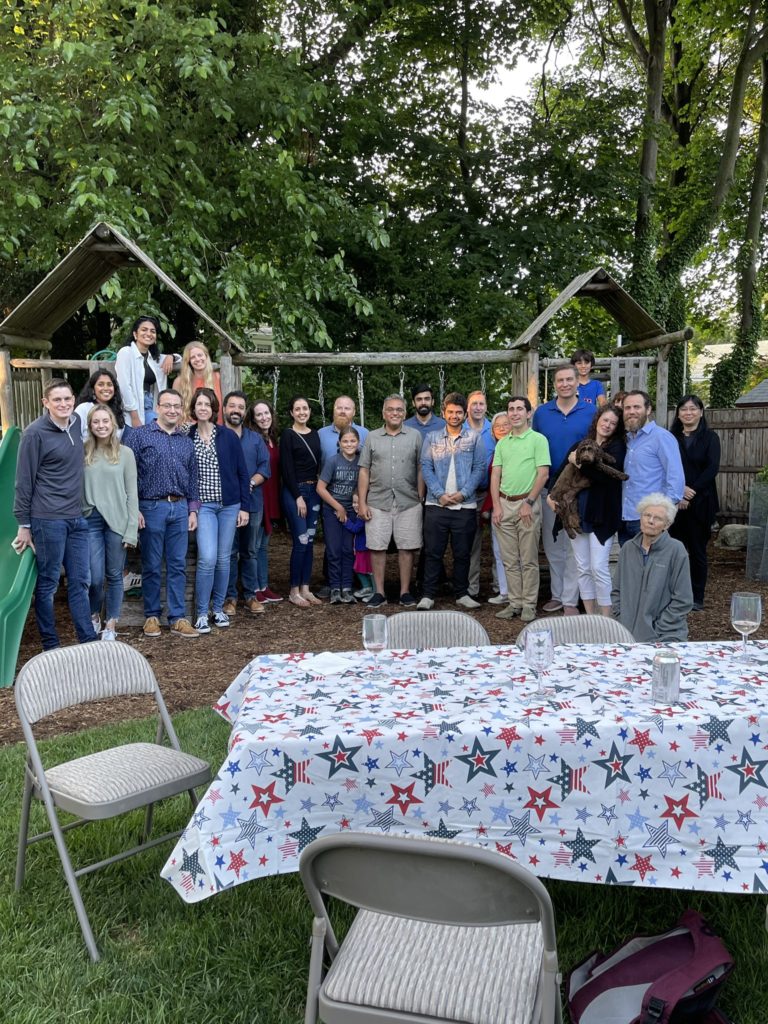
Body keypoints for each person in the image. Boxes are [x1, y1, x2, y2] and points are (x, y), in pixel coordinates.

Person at [13, 378, 97, 650]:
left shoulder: (76, 423)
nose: (63, 404)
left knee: (81, 581)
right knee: (48, 585)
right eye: (57, 400)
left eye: (67, 399)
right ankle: (51, 644)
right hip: (47, 519)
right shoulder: (34, 433)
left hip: (76, 519)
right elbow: (24, 481)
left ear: (74, 400)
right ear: (45, 403)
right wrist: (24, 524)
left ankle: (87, 640)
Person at [123, 388, 200, 638]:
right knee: (152, 564)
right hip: (150, 506)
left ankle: (177, 617)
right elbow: (128, 474)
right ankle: (152, 616)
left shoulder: (186, 441)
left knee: (177, 565)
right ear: (157, 407)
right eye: (167, 405)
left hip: (179, 507)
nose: (172, 410)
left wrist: (192, 510)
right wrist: (133, 509)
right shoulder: (139, 436)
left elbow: (193, 479)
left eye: (177, 406)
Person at [548, 405, 626, 616]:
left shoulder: (616, 447)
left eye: (613, 423)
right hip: (576, 514)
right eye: (605, 419)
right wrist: (550, 495)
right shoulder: (579, 445)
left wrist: (580, 464)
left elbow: (605, 478)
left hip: (602, 514)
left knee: (598, 567)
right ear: (597, 419)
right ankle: (591, 616)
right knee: (583, 568)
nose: (608, 425)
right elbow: (562, 469)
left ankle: (607, 617)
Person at [532, 365, 594, 614]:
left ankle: (570, 599)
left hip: (578, 490)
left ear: (577, 382)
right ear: (555, 383)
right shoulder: (542, 413)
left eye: (570, 379)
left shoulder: (590, 411)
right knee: (552, 544)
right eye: (561, 380)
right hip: (549, 490)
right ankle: (557, 594)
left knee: (573, 545)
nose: (565, 383)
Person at [187, 388, 250, 633]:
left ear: (214, 409)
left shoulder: (227, 436)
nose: (203, 408)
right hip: (203, 506)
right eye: (199, 403)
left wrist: (244, 506)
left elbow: (243, 473)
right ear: (194, 408)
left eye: (207, 404)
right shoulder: (187, 436)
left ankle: (218, 608)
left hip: (229, 505)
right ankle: (202, 613)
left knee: (224, 559)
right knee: (207, 558)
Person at [418, 392, 488, 610]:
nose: (455, 416)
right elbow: (426, 467)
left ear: (464, 413)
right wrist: (439, 493)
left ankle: (462, 593)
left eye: (459, 412)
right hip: (436, 504)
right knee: (432, 552)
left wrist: (464, 493)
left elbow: (479, 467)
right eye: (451, 412)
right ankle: (428, 595)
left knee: (462, 553)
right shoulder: (432, 438)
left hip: (464, 506)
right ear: (443, 413)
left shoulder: (474, 438)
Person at [358, 394, 424, 607]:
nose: (395, 413)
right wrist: (362, 502)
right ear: (383, 413)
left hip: (409, 500)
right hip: (378, 500)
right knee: (377, 547)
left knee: (408, 547)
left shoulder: (415, 436)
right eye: (390, 409)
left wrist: (421, 495)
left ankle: (405, 592)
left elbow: (421, 467)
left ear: (404, 413)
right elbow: (364, 470)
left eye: (399, 410)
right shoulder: (372, 437)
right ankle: (380, 592)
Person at [490, 396, 550, 622]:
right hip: (504, 505)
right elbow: (496, 474)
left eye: (519, 409)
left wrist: (529, 503)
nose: (514, 413)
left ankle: (528, 605)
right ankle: (514, 603)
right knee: (509, 559)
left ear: (528, 413)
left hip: (527, 504)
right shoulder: (503, 443)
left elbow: (543, 473)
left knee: (528, 559)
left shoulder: (538, 440)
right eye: (510, 409)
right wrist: (496, 506)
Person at [82, 405, 139, 641]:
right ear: (90, 425)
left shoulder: (125, 453)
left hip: (117, 520)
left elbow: (132, 493)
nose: (101, 425)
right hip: (90, 519)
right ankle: (94, 614)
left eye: (105, 421)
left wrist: (131, 530)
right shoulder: (83, 451)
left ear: (113, 423)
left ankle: (112, 623)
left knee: (115, 575)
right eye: (96, 422)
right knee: (94, 577)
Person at [612, 493, 693, 641]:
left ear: (667, 524)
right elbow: (616, 591)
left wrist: (658, 627)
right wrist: (621, 620)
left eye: (658, 518)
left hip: (666, 636)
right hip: (627, 635)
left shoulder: (676, 550)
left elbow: (683, 600)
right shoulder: (627, 549)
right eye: (647, 515)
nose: (650, 521)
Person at [669, 395, 721, 611]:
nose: (688, 413)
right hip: (673, 499)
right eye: (684, 409)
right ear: (678, 413)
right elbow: (665, 465)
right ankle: (675, 594)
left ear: (701, 412)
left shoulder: (710, 437)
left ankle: (696, 597)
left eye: (693, 409)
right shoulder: (670, 437)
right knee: (675, 550)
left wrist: (691, 492)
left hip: (701, 501)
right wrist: (679, 491)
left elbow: (712, 468)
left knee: (697, 550)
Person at [221, 391, 271, 616]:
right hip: (226, 503)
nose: (236, 410)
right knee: (230, 552)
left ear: (245, 411)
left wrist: (249, 483)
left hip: (252, 502)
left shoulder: (255, 439)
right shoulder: (217, 436)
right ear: (224, 409)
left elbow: (264, 469)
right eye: (232, 406)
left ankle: (250, 596)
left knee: (250, 550)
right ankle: (229, 597)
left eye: (240, 407)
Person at [620, 390, 685, 545]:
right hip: (625, 517)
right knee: (631, 567)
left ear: (648, 410)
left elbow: (676, 479)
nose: (631, 412)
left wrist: (661, 515)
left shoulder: (661, 437)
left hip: (649, 519)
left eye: (637, 407)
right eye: (627, 408)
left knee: (651, 567)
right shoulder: (627, 440)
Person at [280, 395, 322, 607]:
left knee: (311, 541)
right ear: (291, 413)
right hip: (294, 492)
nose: (302, 412)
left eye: (305, 408)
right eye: (297, 409)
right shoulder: (288, 435)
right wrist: (298, 497)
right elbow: (286, 469)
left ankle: (306, 587)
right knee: (301, 540)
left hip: (314, 490)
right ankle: (293, 590)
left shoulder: (315, 435)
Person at [243, 399, 282, 605]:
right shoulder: (252, 439)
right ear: (252, 418)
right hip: (258, 495)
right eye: (259, 414)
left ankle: (264, 585)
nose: (264, 417)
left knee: (264, 546)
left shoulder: (272, 438)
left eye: (266, 413)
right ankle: (254, 588)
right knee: (254, 545)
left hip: (272, 495)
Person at [317, 426, 361, 603]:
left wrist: (357, 497)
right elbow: (320, 488)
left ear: (358, 443)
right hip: (332, 510)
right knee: (334, 550)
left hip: (352, 511)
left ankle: (347, 587)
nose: (349, 444)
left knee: (348, 549)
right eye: (345, 441)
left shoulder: (361, 462)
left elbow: (364, 484)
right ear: (339, 443)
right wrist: (338, 507)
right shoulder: (333, 461)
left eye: (352, 441)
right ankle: (335, 587)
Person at [115, 315, 176, 432]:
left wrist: (171, 357)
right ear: (135, 334)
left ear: (156, 337)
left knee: (159, 435)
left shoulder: (153, 358)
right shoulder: (126, 352)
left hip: (149, 405)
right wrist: (134, 416)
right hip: (131, 410)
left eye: (153, 331)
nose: (149, 333)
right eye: (144, 330)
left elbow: (182, 359)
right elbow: (124, 386)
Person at [465, 390, 495, 598]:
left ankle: (500, 586)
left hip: (492, 493)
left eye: (481, 404)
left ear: (485, 406)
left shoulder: (495, 428)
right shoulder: (459, 428)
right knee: (471, 542)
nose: (477, 407)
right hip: (468, 494)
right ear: (468, 407)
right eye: (474, 404)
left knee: (499, 542)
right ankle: (471, 587)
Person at [485, 412, 513, 605]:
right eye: (497, 426)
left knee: (515, 552)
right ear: (493, 432)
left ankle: (517, 592)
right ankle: (504, 591)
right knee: (498, 550)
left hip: (514, 502)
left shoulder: (517, 448)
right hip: (498, 504)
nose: (502, 428)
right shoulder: (495, 451)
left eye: (506, 424)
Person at [173, 341, 223, 424]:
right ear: (188, 361)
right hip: (189, 431)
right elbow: (175, 409)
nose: (197, 359)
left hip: (216, 429)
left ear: (206, 356)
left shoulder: (218, 377)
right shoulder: (179, 382)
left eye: (200, 355)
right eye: (193, 357)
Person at [75, 368, 126, 440]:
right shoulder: (83, 409)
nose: (106, 388)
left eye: (109, 384)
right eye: (101, 384)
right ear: (93, 389)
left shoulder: (117, 410)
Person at [318, 395, 368, 466]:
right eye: (339, 408)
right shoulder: (321, 434)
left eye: (347, 408)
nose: (343, 411)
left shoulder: (365, 434)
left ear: (354, 412)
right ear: (333, 411)